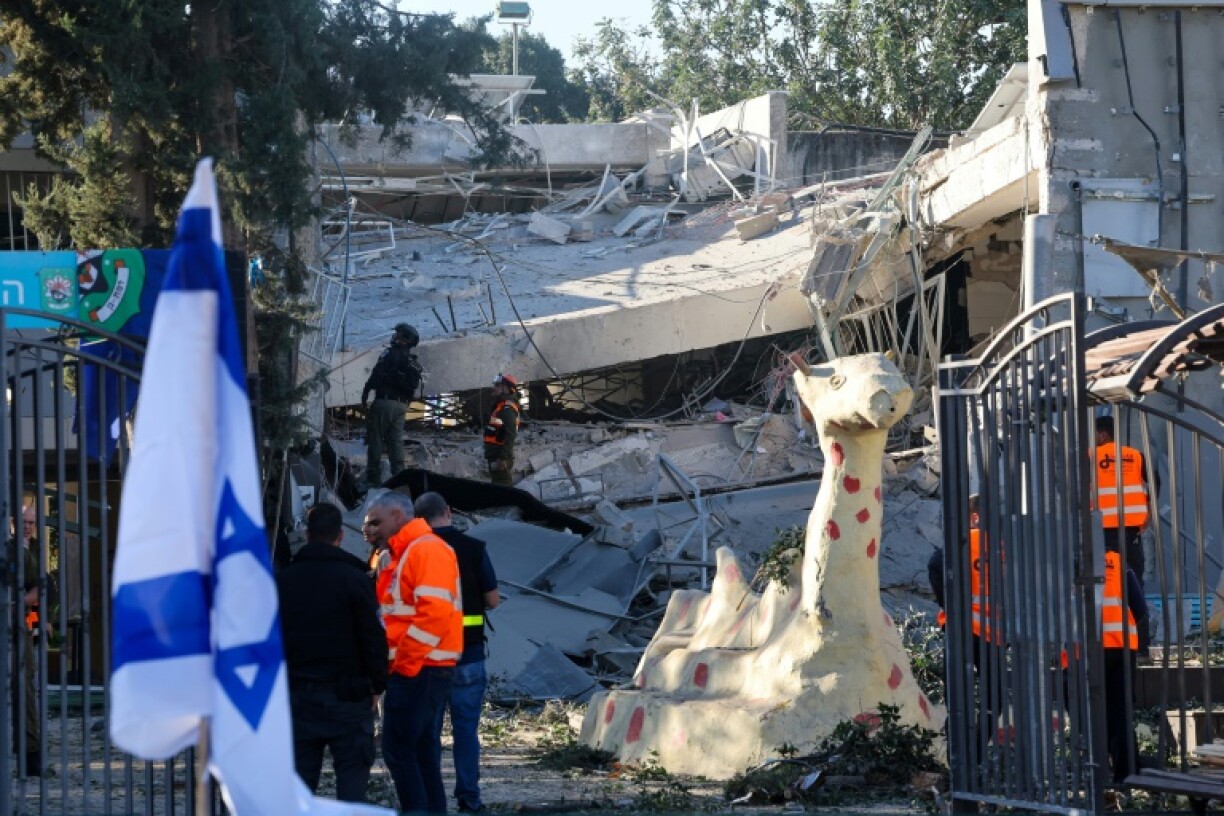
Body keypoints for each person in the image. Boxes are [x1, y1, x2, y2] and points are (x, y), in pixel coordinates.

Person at [277, 503, 386, 802]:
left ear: (308, 535)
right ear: (340, 536)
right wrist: (377, 685)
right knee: (352, 782)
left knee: (298, 787)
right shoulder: (355, 580)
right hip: (348, 698)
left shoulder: (283, 582)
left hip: (297, 696)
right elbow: (373, 638)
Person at [369, 491, 463, 815]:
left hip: (420, 667)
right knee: (421, 753)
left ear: (398, 515)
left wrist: (404, 666)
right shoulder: (407, 552)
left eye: (375, 523)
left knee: (399, 750)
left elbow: (433, 615)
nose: (369, 531)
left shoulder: (424, 550)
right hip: (423, 666)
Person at [415, 492, 500, 813]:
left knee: (429, 733)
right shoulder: (474, 549)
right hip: (468, 654)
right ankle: (469, 798)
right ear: (448, 512)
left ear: (419, 520)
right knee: (466, 731)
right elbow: (493, 600)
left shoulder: (414, 551)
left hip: (429, 659)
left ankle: (430, 800)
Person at [1101, 534, 1148, 785]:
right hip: (1122, 646)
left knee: (1092, 709)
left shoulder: (1073, 564)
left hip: (1090, 649)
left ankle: (1097, 769)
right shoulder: (1120, 565)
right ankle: (1126, 772)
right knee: (1121, 709)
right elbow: (1140, 609)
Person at [361, 323, 423, 492]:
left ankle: (373, 479)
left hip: (384, 402)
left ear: (404, 339)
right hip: (401, 406)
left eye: (399, 334)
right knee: (395, 441)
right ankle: (399, 477)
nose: (395, 336)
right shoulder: (413, 362)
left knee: (376, 438)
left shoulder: (389, 353)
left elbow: (376, 374)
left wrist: (366, 392)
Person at [1095, 416, 1152, 584]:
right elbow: (1151, 485)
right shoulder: (1136, 456)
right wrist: (1147, 512)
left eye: (1094, 434)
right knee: (1133, 579)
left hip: (1102, 530)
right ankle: (1136, 610)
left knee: (1108, 580)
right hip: (1131, 531)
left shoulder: (1090, 457)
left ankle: (1113, 610)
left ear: (1103, 435)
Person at [10, 506, 43, 777]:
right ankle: (29, 756)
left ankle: (30, 755)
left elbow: (41, 591)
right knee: (23, 689)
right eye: (25, 522)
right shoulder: (13, 550)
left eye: (32, 522)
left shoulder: (31, 551)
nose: (29, 526)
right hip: (14, 626)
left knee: (25, 688)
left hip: (22, 626)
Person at [483, 374, 521, 486]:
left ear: (506, 388)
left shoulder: (507, 408)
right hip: (496, 455)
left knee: (502, 487)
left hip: (499, 457)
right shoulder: (501, 406)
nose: (494, 387)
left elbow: (511, 434)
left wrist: (503, 458)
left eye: (497, 385)